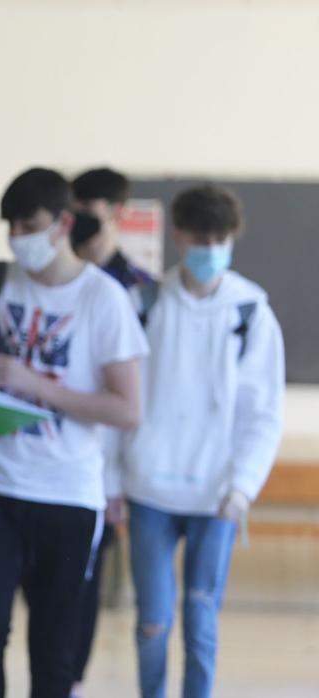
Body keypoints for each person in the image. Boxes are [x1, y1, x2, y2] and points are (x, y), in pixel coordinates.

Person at [0, 167, 147, 698]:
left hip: (67, 493)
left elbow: (127, 408)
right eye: (10, 224)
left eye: (28, 223)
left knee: (54, 650)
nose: (18, 236)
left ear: (63, 223)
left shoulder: (104, 298)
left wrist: (33, 385)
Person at [117, 185, 283, 698]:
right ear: (179, 235)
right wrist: (111, 483)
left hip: (217, 498)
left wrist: (242, 489)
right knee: (153, 621)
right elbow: (116, 403)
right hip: (149, 492)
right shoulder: (143, 305)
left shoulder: (251, 313)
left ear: (232, 240)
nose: (209, 248)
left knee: (201, 617)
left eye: (220, 238)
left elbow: (263, 413)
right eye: (200, 236)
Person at [68, 166, 158, 695]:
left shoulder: (143, 292)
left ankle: (72, 679)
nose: (81, 224)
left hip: (112, 463)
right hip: (53, 455)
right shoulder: (57, 280)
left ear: (116, 215)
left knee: (85, 581)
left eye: (92, 215)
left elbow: (143, 395)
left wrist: (121, 476)